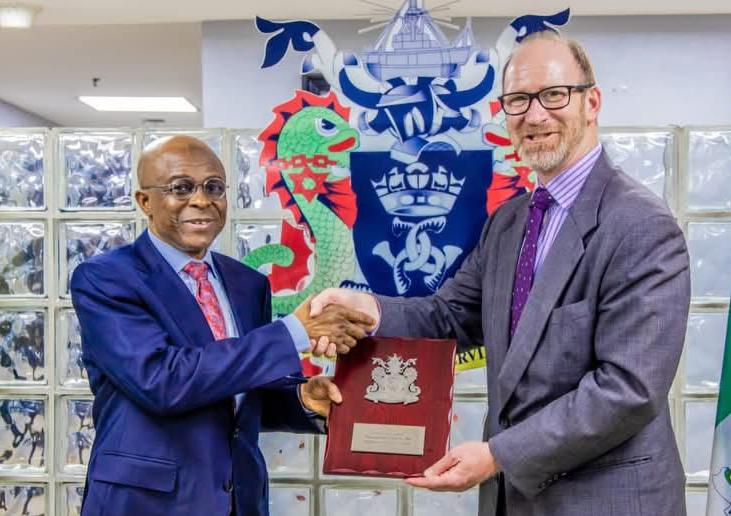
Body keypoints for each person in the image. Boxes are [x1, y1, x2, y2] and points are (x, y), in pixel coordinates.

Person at [310, 31, 691, 515]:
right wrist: (367, 307)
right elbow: (451, 315)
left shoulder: (641, 224)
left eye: (554, 95)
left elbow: (628, 389)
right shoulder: (508, 222)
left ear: (592, 102)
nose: (535, 115)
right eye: (518, 100)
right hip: (513, 500)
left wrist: (498, 455)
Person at [70, 135, 374, 516]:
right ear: (145, 201)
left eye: (213, 187)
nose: (201, 200)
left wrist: (302, 399)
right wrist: (294, 332)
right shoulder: (105, 279)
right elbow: (162, 381)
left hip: (239, 502)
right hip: (146, 503)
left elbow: (239, 389)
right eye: (181, 188)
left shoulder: (248, 284)